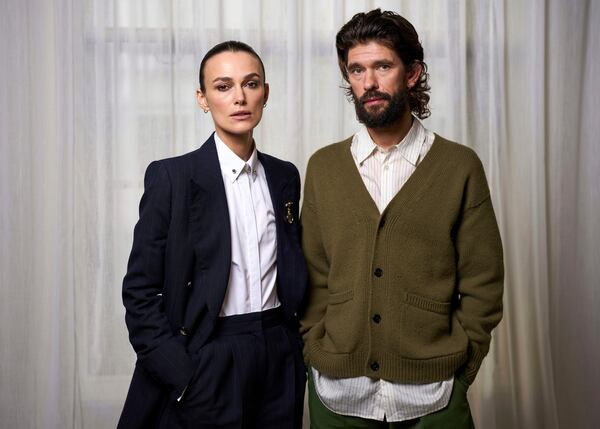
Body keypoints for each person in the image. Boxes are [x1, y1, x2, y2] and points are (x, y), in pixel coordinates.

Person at [299, 9, 504, 428]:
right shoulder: (324, 167)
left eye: (382, 67)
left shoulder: (459, 166)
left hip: (433, 397)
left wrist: (461, 374)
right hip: (338, 394)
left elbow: (483, 281)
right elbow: (313, 276)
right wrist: (312, 350)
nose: (369, 83)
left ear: (412, 74)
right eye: (357, 70)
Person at [118, 41, 307, 429]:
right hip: (209, 356)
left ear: (265, 94)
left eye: (250, 84)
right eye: (223, 87)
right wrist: (182, 374)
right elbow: (139, 292)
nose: (239, 97)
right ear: (202, 99)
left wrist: (296, 350)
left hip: (277, 354)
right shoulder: (172, 177)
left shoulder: (285, 175)